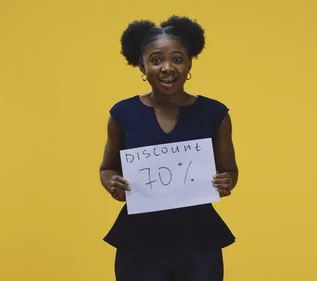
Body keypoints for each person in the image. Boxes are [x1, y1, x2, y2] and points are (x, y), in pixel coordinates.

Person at [98, 15, 239, 281]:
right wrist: (112, 183)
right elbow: (107, 168)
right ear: (141, 66)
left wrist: (226, 181)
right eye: (156, 60)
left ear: (189, 64)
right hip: (139, 241)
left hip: (199, 240)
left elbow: (230, 170)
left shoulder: (215, 114)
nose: (167, 67)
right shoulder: (122, 114)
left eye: (177, 58)